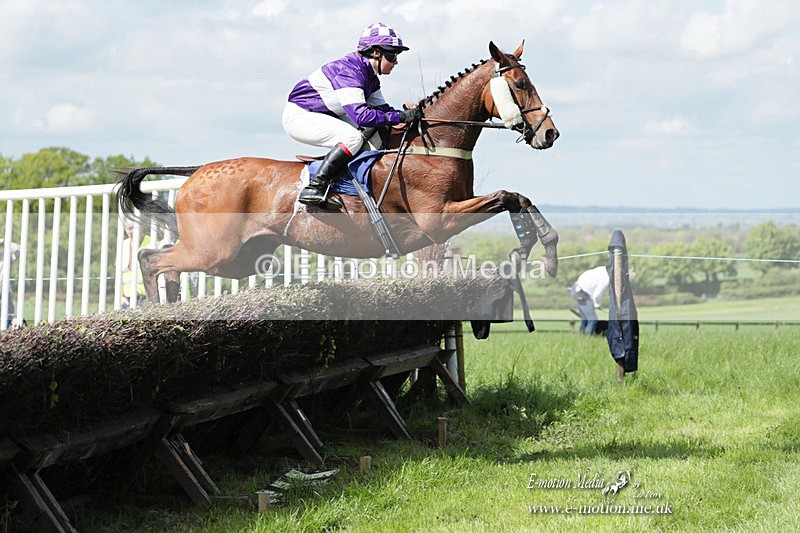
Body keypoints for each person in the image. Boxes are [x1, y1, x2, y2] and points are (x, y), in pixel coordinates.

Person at [282, 22, 421, 210]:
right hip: (301, 116)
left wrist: (406, 114)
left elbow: (383, 110)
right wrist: (400, 117)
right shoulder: (350, 72)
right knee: (353, 138)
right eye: (392, 55)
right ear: (375, 53)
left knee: (376, 134)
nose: (396, 62)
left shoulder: (369, 76)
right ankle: (315, 187)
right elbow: (362, 117)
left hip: (326, 115)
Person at [568, 265, 610, 335]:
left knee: (585, 319)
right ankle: (588, 338)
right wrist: (597, 304)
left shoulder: (602, 269)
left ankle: (581, 337)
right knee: (592, 320)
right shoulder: (607, 277)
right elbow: (597, 293)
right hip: (582, 293)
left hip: (576, 289)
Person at [0, 239, 20, 328]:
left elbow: (17, 248)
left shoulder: (4, 257)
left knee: (7, 318)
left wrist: (3, 241)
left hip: (3, 293)